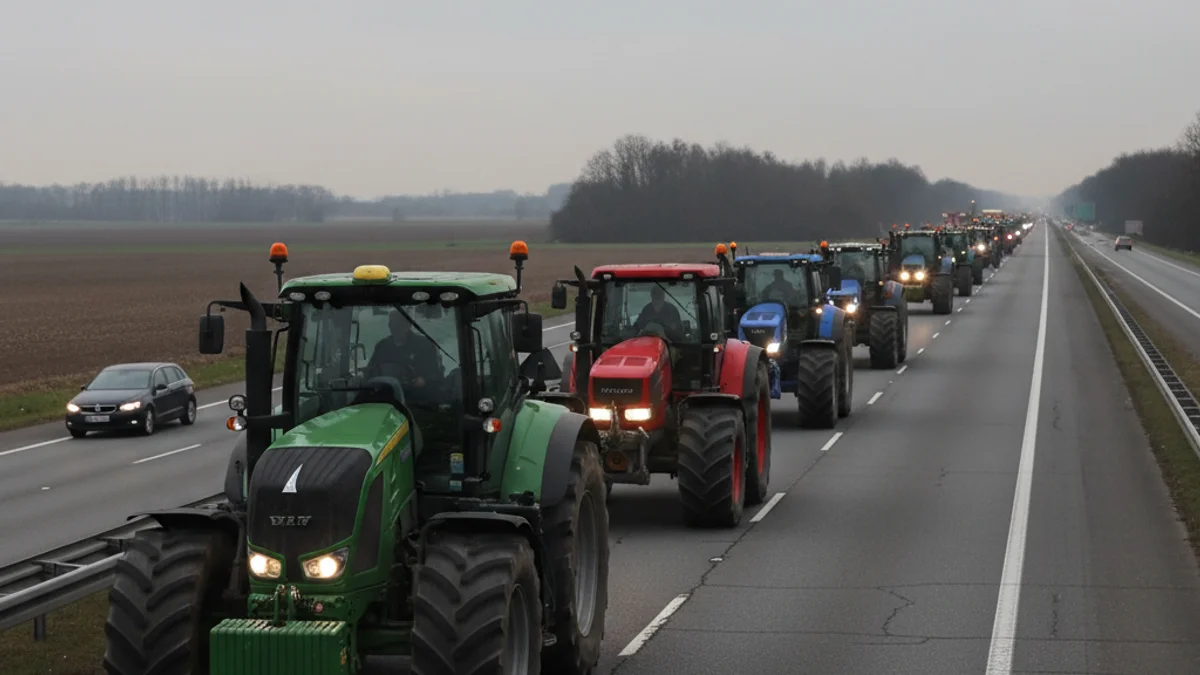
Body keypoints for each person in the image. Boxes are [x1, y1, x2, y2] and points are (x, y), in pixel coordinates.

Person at [366, 309, 444, 401]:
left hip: (418, 400)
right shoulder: (382, 347)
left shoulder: (424, 345)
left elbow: (437, 376)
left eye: (399, 324)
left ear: (408, 325)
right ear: (389, 325)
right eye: (392, 324)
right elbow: (371, 372)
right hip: (385, 398)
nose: (395, 327)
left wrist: (424, 380)